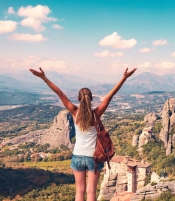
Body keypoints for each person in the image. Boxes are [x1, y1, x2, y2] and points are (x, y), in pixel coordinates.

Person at [29, 67, 137, 201]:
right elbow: (110, 95)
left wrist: (44, 78)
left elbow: (59, 93)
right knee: (91, 191)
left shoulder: (74, 112)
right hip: (94, 157)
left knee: (79, 192)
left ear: (79, 99)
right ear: (91, 99)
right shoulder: (96, 114)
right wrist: (124, 78)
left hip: (78, 155)